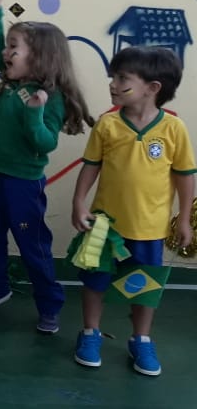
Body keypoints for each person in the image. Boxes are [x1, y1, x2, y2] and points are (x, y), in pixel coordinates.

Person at [0, 0, 93, 334]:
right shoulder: (10, 80)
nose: (5, 53)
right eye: (7, 47)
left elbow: (44, 144)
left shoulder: (46, 96)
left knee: (33, 246)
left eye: (13, 48)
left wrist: (35, 113)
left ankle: (50, 305)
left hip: (23, 184)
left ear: (38, 58)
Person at [70, 46, 194, 377]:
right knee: (95, 282)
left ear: (153, 88)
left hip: (150, 230)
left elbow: (184, 176)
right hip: (103, 226)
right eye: (113, 77)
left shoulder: (173, 130)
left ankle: (140, 339)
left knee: (145, 288)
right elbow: (90, 167)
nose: (113, 84)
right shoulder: (107, 125)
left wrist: (183, 218)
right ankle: (90, 333)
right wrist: (79, 202)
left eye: (123, 78)